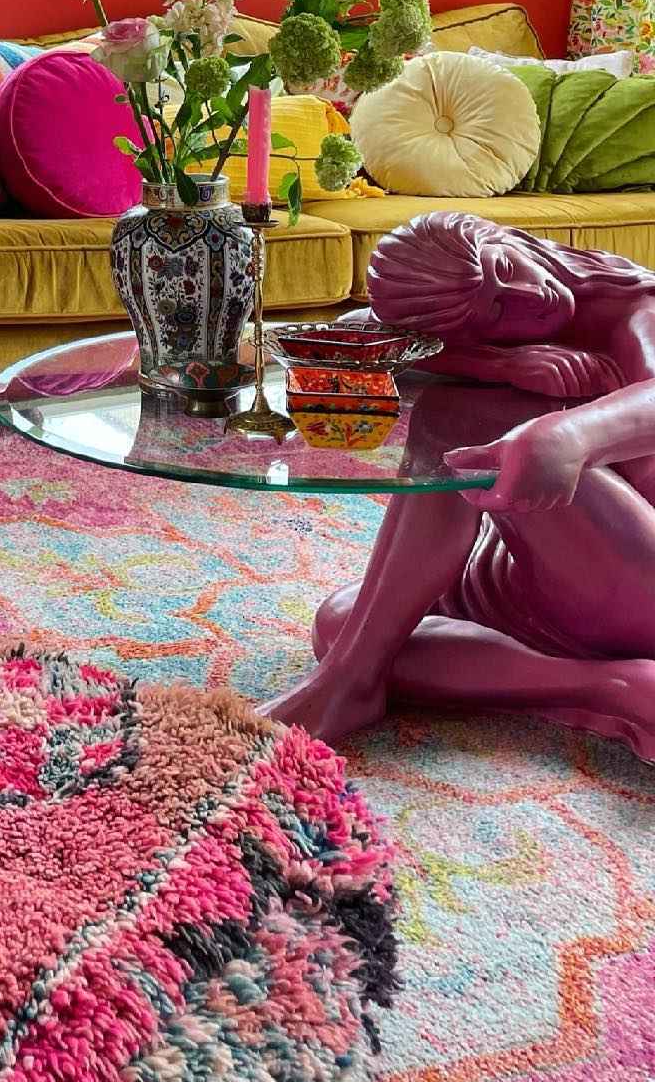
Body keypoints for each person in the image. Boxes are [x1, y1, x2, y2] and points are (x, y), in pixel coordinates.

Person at [265, 211, 655, 761]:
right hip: (549, 588)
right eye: (495, 310)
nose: (528, 295)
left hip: (642, 581)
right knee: (344, 623)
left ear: (502, 237)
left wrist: (569, 434)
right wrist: (498, 362)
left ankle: (351, 683)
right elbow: (347, 336)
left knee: (459, 414)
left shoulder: (639, 310)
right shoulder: (513, 340)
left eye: (504, 266)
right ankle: (612, 686)